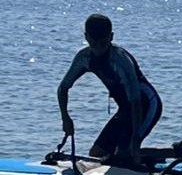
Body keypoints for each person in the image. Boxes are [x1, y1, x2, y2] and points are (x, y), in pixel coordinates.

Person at [58, 14, 162, 165]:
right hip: (125, 109)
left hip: (146, 104)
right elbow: (63, 88)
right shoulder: (83, 58)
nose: (99, 48)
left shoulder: (120, 61)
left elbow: (136, 101)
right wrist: (65, 118)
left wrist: (135, 138)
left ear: (111, 37)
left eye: (103, 43)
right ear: (86, 37)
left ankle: (177, 152)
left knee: (126, 153)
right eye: (94, 43)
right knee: (97, 153)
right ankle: (136, 157)